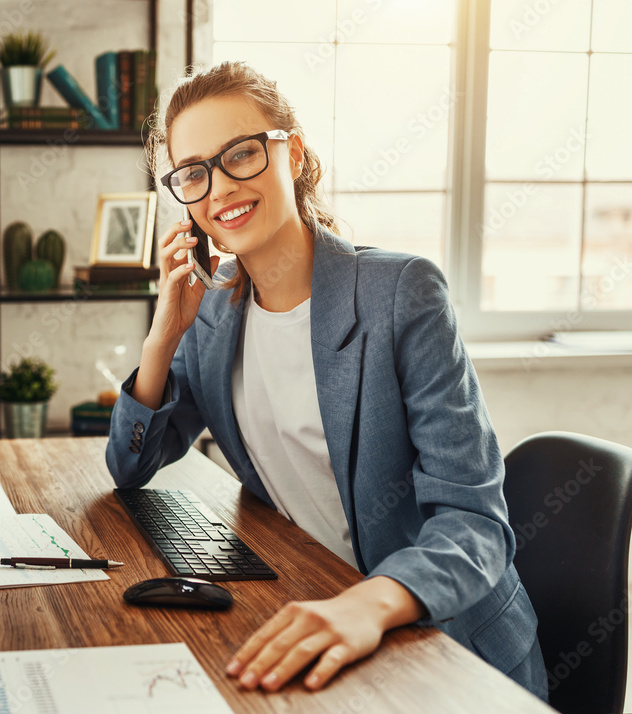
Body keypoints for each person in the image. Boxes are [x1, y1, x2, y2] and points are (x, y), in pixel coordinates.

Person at [105, 61, 548, 699]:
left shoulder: (401, 293)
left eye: (242, 154)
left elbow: (474, 521)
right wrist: (161, 338)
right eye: (194, 172)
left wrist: (367, 604)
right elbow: (129, 465)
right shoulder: (210, 307)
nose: (220, 187)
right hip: (309, 605)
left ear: (294, 153)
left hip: (441, 643)